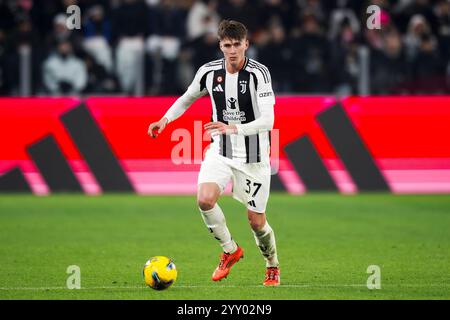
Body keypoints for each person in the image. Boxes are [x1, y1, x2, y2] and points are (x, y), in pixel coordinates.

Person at [148, 20, 280, 286]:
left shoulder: (259, 73)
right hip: (220, 149)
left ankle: (272, 264)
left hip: (254, 156)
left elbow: (268, 120)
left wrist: (233, 127)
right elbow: (187, 97)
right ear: (220, 45)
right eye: (227, 45)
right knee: (205, 200)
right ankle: (230, 250)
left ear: (246, 44)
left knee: (256, 222)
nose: (232, 50)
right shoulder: (209, 72)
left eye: (237, 45)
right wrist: (164, 120)